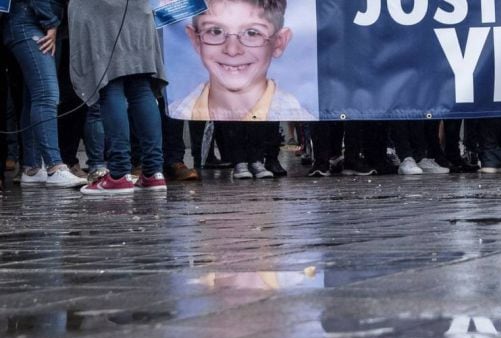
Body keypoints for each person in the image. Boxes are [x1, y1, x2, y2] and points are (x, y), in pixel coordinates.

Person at [68, 0, 167, 195]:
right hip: (138, 10)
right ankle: (154, 172)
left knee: (110, 84)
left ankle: (119, 174)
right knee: (140, 86)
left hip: (100, 13)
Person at [169, 0, 315, 121]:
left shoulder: (302, 118)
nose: (232, 50)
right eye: (215, 31)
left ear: (279, 42)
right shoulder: (173, 114)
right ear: (195, 40)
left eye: (252, 33)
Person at [2, 0, 86, 188]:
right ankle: (54, 167)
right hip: (33, 18)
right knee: (46, 94)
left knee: (34, 95)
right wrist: (49, 21)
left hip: (30, 16)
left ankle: (31, 167)